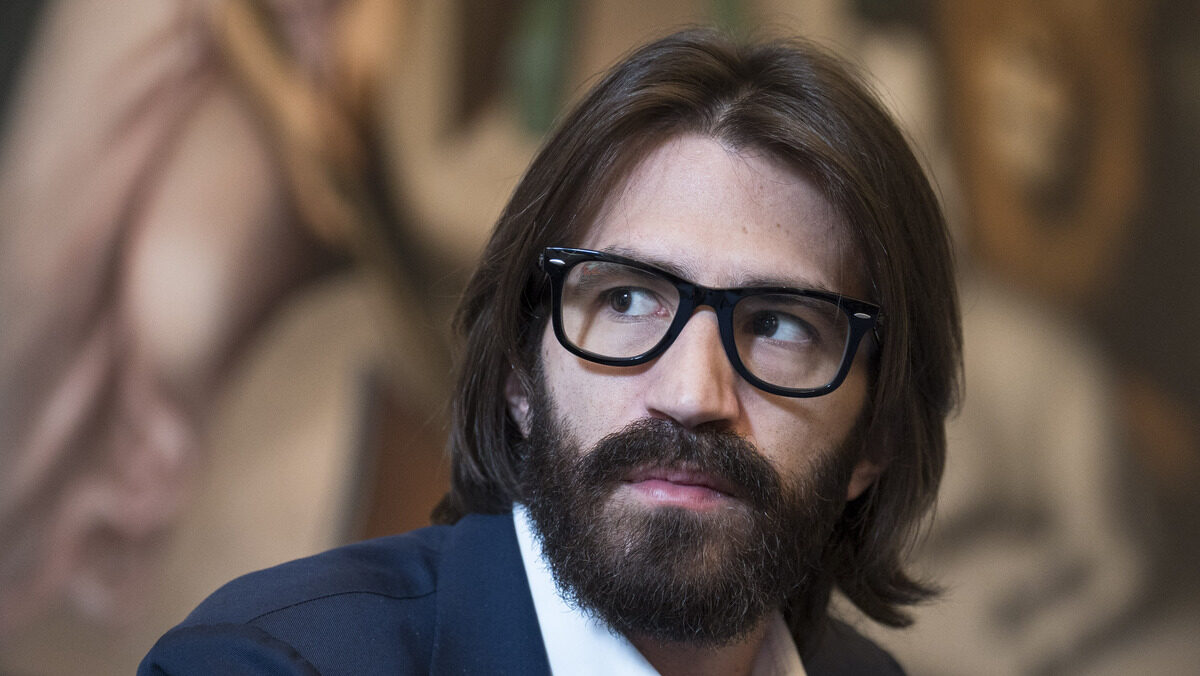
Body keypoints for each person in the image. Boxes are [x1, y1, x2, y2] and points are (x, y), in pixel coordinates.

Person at [139, 28, 960, 675]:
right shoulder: (264, 665)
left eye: (779, 325)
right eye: (626, 301)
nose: (691, 394)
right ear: (518, 375)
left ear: (878, 437)